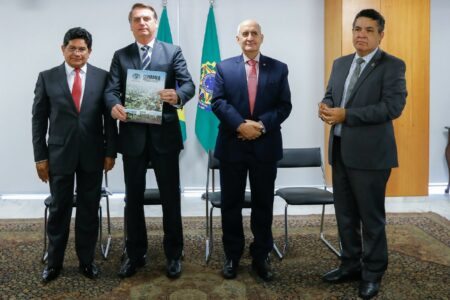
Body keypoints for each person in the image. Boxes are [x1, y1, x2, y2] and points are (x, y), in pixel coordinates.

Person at [319, 9, 406, 299]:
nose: (361, 35)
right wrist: (326, 106)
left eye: (369, 30)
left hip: (371, 156)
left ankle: (372, 272)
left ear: (381, 34)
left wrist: (347, 115)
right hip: (341, 151)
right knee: (345, 216)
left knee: (371, 219)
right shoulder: (340, 63)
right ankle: (350, 265)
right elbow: (332, 94)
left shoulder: (392, 66)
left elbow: (391, 108)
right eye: (357, 29)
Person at [104, 3, 195, 279]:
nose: (142, 23)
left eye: (146, 19)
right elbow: (111, 90)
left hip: (164, 136)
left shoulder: (172, 51)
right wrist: (114, 106)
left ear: (155, 23)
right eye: (137, 20)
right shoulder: (121, 56)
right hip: (132, 137)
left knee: (170, 197)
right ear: (131, 25)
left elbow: (189, 84)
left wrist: (177, 95)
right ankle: (135, 253)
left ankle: (173, 254)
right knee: (133, 199)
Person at [32, 27, 117, 283]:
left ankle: (86, 261)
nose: (77, 53)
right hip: (59, 155)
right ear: (63, 49)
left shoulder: (103, 78)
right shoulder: (47, 77)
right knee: (59, 211)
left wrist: (110, 152)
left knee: (89, 210)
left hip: (94, 154)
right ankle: (54, 263)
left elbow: (109, 121)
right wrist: (40, 157)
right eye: (72, 48)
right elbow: (38, 121)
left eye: (82, 49)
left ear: (89, 52)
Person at [212, 19, 292, 282]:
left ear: (261, 37)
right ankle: (232, 256)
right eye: (244, 34)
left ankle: (261, 256)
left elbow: (284, 106)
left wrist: (259, 125)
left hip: (265, 146)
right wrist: (240, 125)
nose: (249, 37)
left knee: (263, 204)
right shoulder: (223, 68)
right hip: (232, 146)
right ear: (237, 39)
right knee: (231, 205)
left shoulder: (279, 69)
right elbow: (218, 102)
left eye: (254, 33)